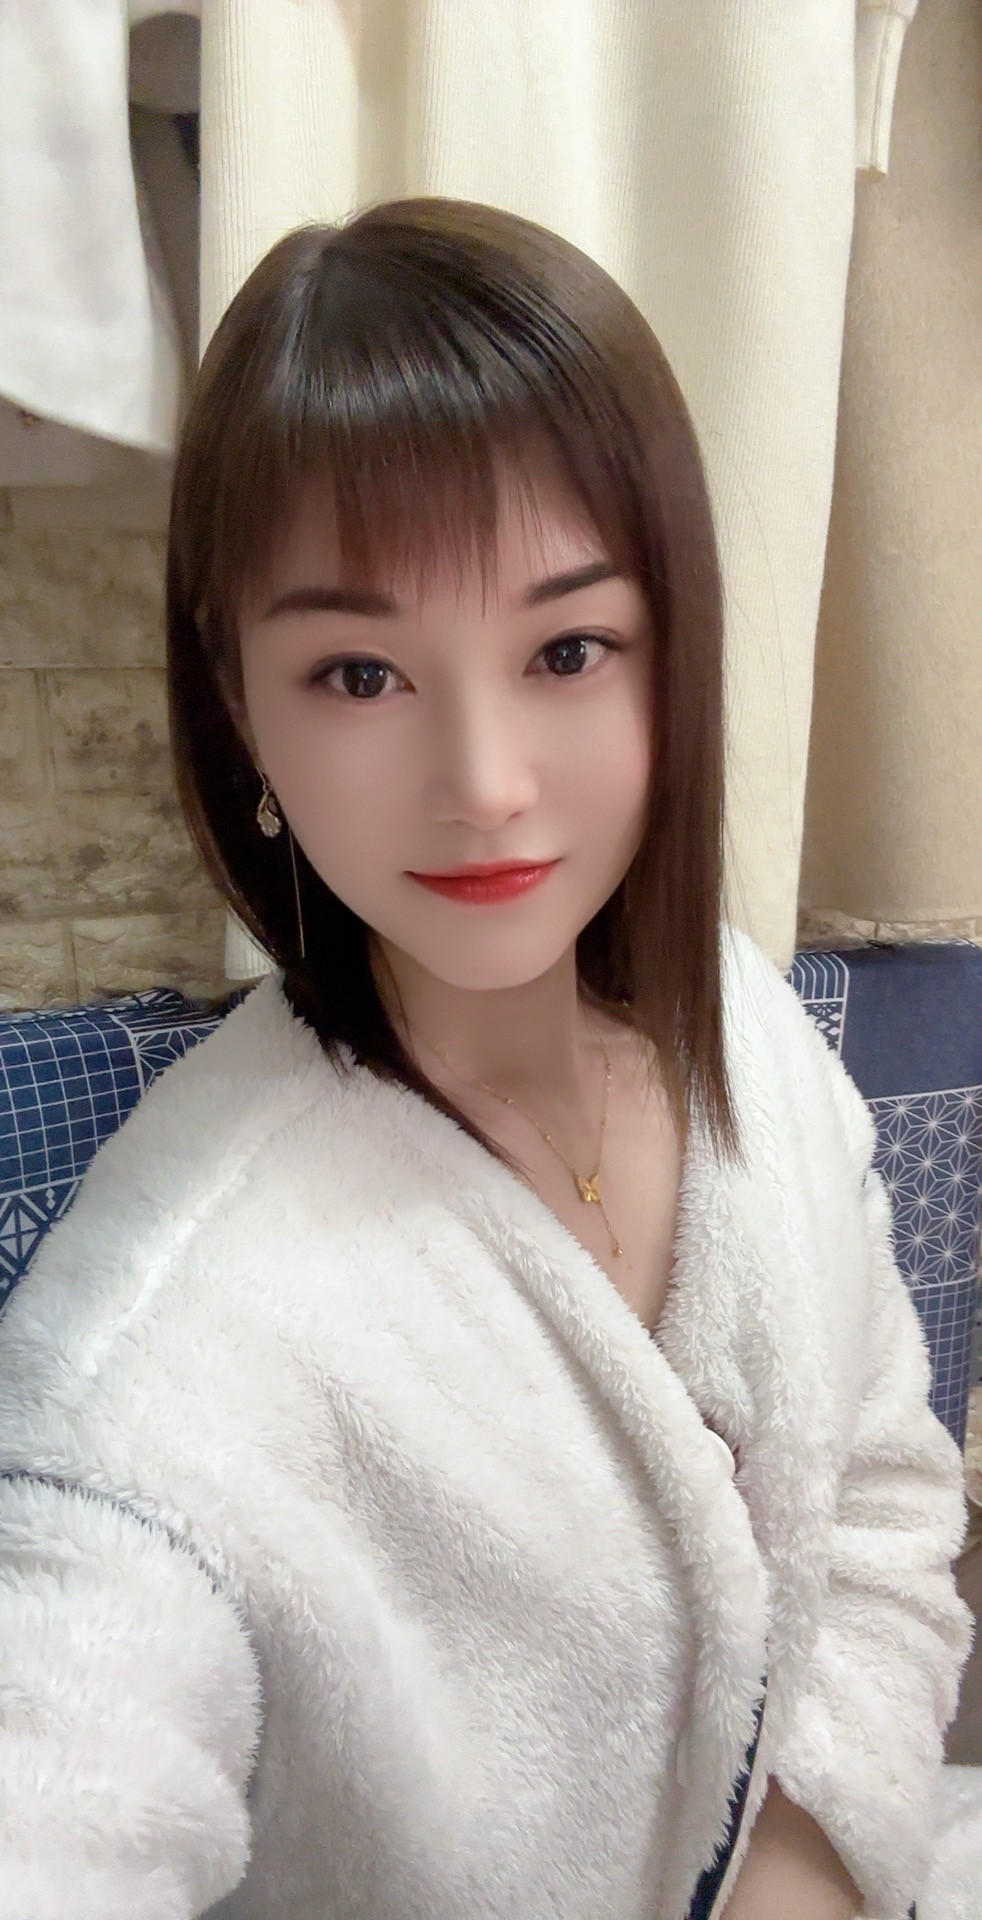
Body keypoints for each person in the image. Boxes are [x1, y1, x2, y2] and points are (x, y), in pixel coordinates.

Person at [0, 199, 972, 1920]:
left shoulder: (743, 1029)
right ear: (235, 699)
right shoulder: (152, 1370)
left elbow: (880, 1507)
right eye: (359, 672)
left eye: (566, 649)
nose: (487, 782)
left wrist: (801, 1876)